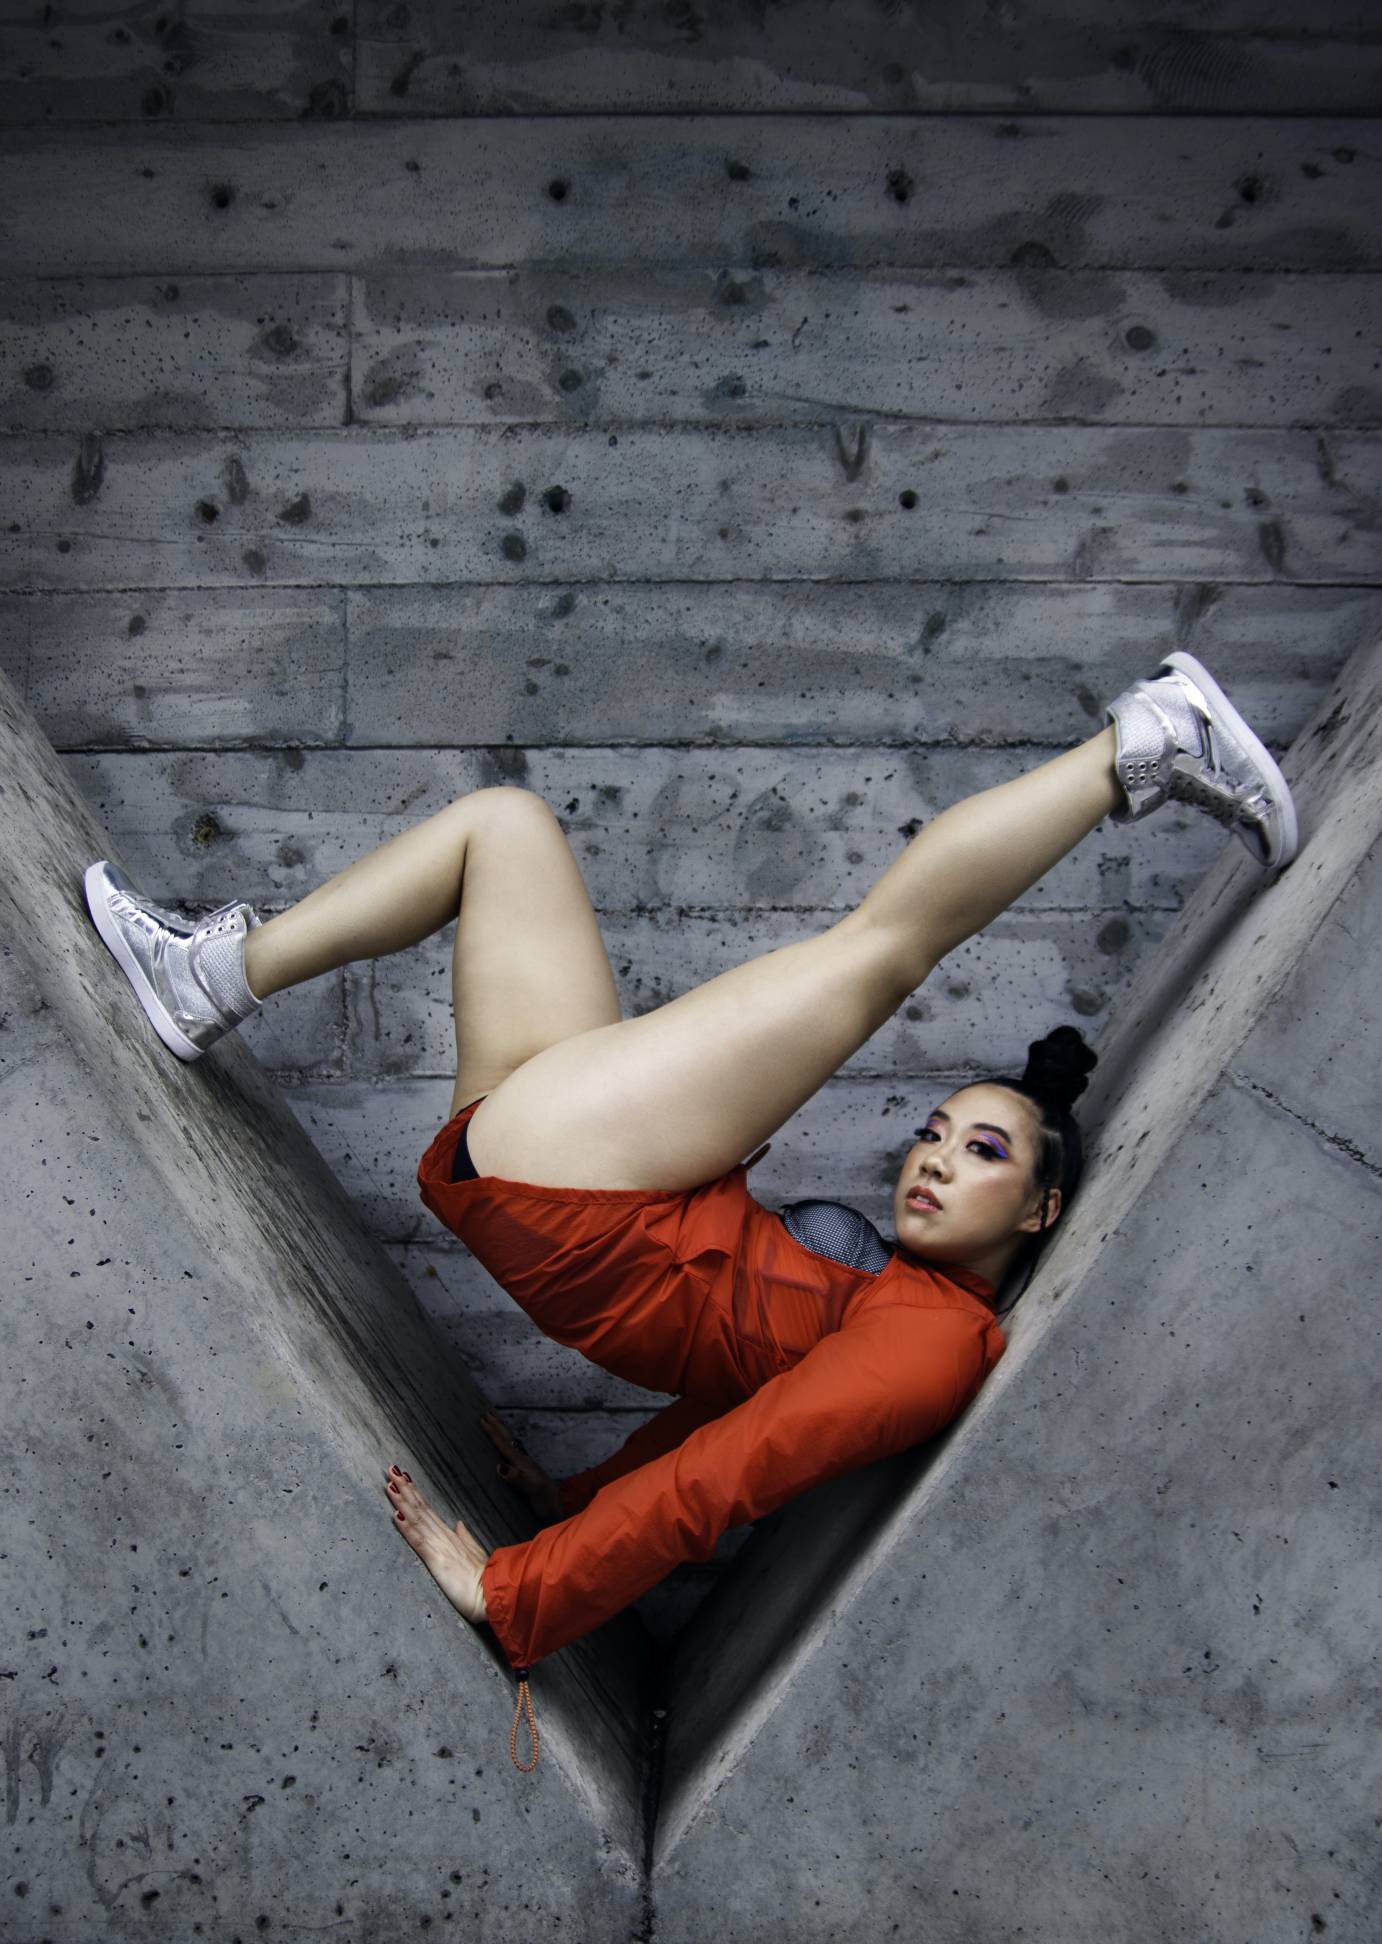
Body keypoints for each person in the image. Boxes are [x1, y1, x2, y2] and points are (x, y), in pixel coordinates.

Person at [83, 650, 1298, 1771]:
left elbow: (727, 1467)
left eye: (980, 1152)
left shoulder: (935, 1342)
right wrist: (564, 1494)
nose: (931, 1159)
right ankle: (208, 983)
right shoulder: (892, 1303)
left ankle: (1141, 744)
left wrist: (519, 1587)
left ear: (1039, 1213)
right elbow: (713, 1416)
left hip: (591, 1208)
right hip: (579, 1180)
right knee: (501, 832)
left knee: (883, 950)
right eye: (934, 1131)